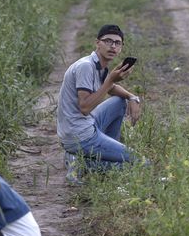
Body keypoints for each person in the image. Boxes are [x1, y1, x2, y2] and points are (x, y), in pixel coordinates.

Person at [57, 24, 143, 183]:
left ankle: (92, 155)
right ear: (97, 43)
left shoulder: (99, 66)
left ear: (121, 47)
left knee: (119, 101)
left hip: (84, 126)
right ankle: (83, 164)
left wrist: (132, 97)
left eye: (117, 43)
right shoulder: (86, 66)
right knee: (140, 163)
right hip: (79, 135)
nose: (113, 46)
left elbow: (111, 89)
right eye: (108, 41)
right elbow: (85, 107)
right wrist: (110, 80)